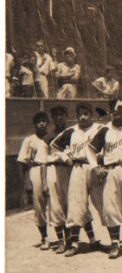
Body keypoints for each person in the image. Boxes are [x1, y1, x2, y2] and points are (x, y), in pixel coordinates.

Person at [88, 99, 122, 258]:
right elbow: (90, 150)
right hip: (111, 170)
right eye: (113, 110)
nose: (116, 113)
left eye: (120, 109)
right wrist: (95, 167)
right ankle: (115, 243)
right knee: (110, 208)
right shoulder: (105, 130)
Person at [50, 103, 105, 256]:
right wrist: (65, 157)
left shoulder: (99, 129)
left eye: (86, 113)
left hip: (94, 169)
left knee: (103, 203)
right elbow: (54, 146)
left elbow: (109, 144)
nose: (83, 117)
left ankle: (114, 241)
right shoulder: (71, 131)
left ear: (92, 115)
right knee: (75, 205)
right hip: (78, 167)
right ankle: (74, 243)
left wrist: (102, 159)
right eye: (80, 114)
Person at [18, 112, 51, 249]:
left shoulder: (52, 137)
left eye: (44, 121)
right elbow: (22, 162)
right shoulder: (29, 140)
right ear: (35, 124)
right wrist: (25, 183)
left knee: (56, 204)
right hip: (36, 170)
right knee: (39, 206)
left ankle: (64, 237)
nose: (42, 123)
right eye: (39, 121)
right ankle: (44, 237)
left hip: (52, 169)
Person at [46, 106, 71, 251]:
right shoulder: (49, 135)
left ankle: (70, 239)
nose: (58, 118)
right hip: (53, 168)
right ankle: (61, 240)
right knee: (55, 205)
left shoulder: (71, 133)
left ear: (65, 115)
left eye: (61, 114)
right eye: (55, 115)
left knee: (68, 204)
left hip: (67, 170)